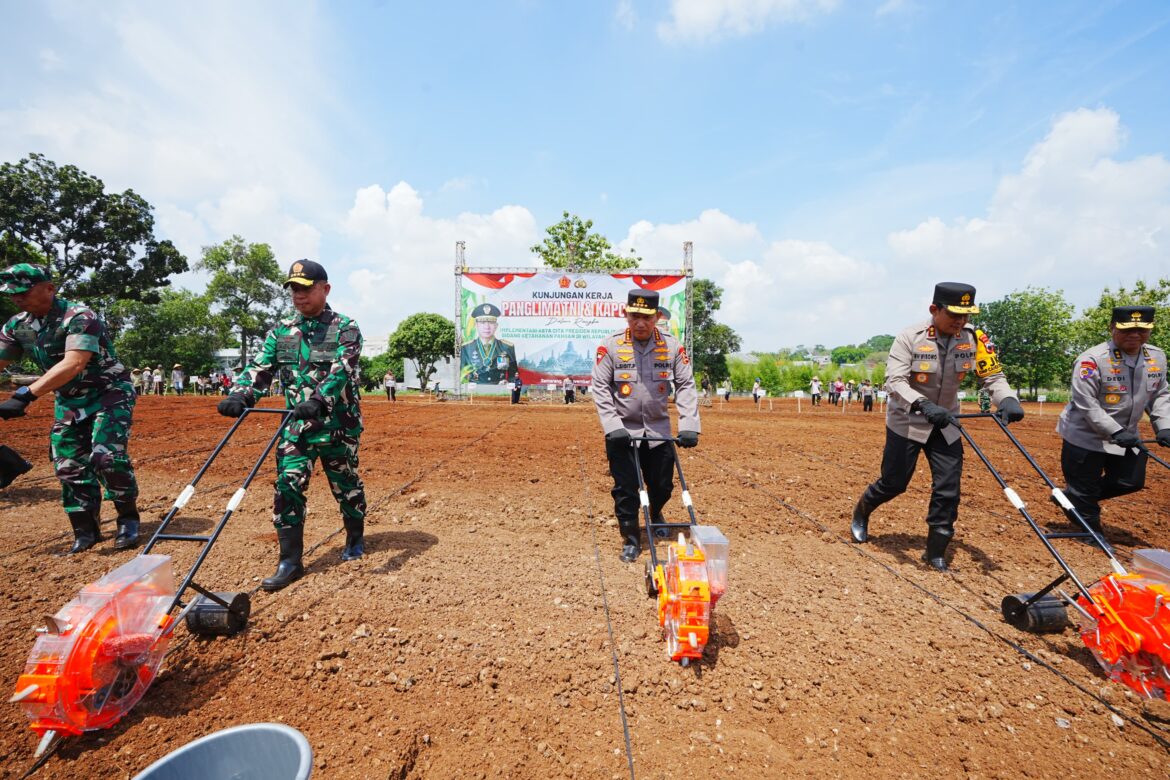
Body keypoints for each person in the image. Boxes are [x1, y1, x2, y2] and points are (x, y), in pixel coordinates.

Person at [850, 282, 1024, 571]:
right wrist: (923, 404)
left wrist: (1007, 398)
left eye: (966, 315)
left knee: (948, 488)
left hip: (947, 422)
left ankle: (935, 549)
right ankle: (862, 510)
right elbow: (895, 381)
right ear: (934, 309)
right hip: (908, 420)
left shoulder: (975, 338)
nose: (961, 321)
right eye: (954, 314)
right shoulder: (910, 337)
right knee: (894, 483)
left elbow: (992, 376)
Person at [217, 259, 366, 591]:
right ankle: (290, 562)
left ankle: (355, 536)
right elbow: (260, 367)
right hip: (296, 427)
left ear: (325, 289)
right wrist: (241, 394)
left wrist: (319, 399)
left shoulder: (345, 327)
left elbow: (341, 371)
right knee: (287, 484)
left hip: (337, 426)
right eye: (294, 290)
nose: (299, 296)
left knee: (345, 485)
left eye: (306, 289)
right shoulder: (282, 331)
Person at [0, 263, 142, 552]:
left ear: (49, 288)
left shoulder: (78, 316)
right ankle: (85, 530)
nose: (17, 298)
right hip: (69, 400)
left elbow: (73, 363)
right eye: (12, 294)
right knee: (68, 464)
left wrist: (26, 394)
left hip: (109, 393)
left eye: (24, 292)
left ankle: (127, 518)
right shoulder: (17, 326)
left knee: (106, 458)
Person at [592, 289, 700, 562]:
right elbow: (600, 387)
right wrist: (612, 425)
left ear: (657, 317)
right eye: (635, 316)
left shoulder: (673, 347)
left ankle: (655, 512)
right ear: (625, 314)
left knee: (662, 485)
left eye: (647, 317)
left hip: (658, 431)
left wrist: (689, 424)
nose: (640, 323)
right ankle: (630, 537)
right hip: (622, 434)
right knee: (625, 489)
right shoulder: (611, 346)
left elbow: (686, 384)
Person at [1056, 306, 1170, 541]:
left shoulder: (1156, 357)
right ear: (1112, 328)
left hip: (1126, 435)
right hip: (1085, 436)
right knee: (1085, 489)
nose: (1135, 335)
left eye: (1141, 329)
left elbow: (1160, 394)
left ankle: (1072, 498)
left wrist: (1164, 425)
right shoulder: (1093, 360)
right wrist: (1115, 430)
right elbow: (1085, 403)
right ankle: (1091, 534)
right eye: (1127, 329)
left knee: (1131, 481)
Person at [460, 303, 518, 384]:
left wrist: (508, 383)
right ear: (476, 325)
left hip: (499, 392)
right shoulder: (466, 348)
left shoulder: (507, 347)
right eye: (482, 323)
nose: (487, 327)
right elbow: (462, 374)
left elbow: (514, 375)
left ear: (496, 325)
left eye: (491, 322)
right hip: (474, 393)